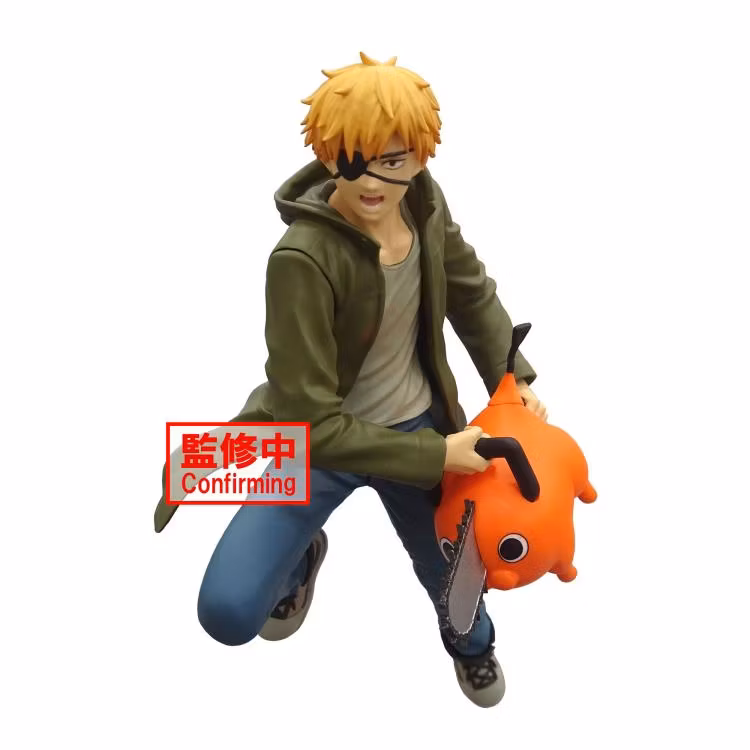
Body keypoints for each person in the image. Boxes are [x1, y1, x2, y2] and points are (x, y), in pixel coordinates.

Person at [153, 52, 547, 708]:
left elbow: (470, 290)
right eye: (350, 159)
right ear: (326, 152)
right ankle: (298, 561)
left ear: (421, 155)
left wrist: (512, 375)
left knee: (457, 576)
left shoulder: (423, 203)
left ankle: (472, 647)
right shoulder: (300, 259)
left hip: (422, 429)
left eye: (392, 160)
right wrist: (436, 456)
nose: (370, 181)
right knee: (227, 610)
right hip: (322, 444)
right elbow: (312, 421)